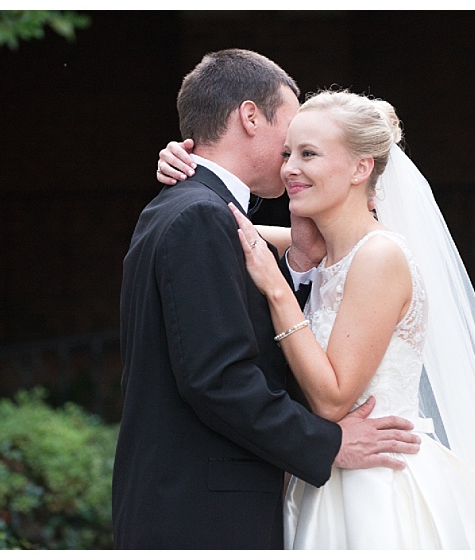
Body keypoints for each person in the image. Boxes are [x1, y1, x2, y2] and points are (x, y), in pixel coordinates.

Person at [158, 89, 475, 549]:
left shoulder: (380, 256)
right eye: (288, 153)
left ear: (361, 168)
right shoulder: (325, 251)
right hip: (325, 479)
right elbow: (217, 222)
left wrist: (276, 290)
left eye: (309, 154)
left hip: (377, 486)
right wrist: (189, 167)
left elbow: (332, 401)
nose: (289, 167)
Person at [115, 50, 421, 549]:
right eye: (292, 134)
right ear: (250, 116)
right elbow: (217, 377)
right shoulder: (201, 218)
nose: (292, 157)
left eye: (310, 151)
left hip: (317, 496)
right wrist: (330, 444)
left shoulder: (204, 215)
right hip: (200, 517)